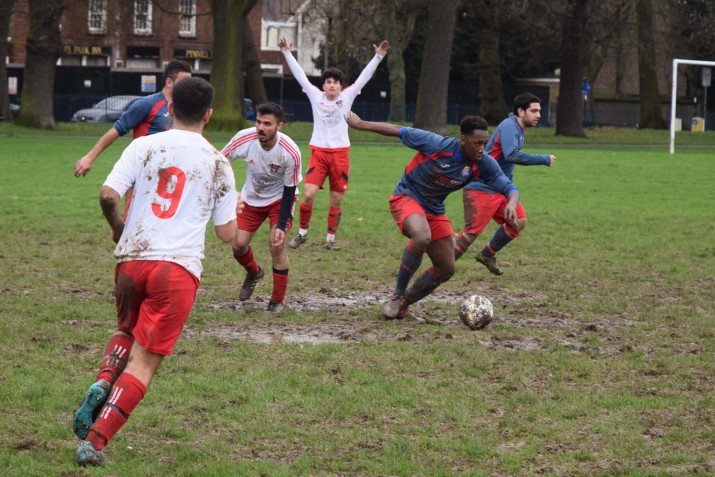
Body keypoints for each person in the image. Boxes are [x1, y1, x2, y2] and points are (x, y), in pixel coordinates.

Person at [72, 77, 242, 466]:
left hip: (131, 260)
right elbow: (227, 235)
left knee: (126, 332)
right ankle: (94, 444)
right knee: (145, 362)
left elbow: (107, 194)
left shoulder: (142, 145)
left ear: (169, 108)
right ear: (209, 115)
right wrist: (238, 200)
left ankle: (103, 381)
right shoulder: (219, 162)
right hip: (176, 269)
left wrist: (117, 226)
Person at [345, 111, 520, 319]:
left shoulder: (484, 162)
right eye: (477, 143)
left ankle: (404, 303)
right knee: (422, 236)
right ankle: (396, 295)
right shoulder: (437, 144)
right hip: (407, 197)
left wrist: (511, 203)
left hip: (434, 209)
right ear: (463, 139)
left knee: (447, 267)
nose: (482, 149)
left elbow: (509, 186)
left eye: (485, 143)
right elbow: (398, 131)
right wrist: (360, 123)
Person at [278, 36, 389, 250]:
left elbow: (363, 78)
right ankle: (302, 233)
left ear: (340, 86)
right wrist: (286, 53)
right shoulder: (315, 96)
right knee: (308, 194)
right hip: (318, 153)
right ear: (324, 85)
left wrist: (378, 56)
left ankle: (330, 239)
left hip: (340, 155)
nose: (332, 85)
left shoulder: (347, 97)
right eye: (328, 82)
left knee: (336, 200)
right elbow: (300, 76)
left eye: (335, 82)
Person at [454, 93, 556, 275]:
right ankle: (441, 264)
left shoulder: (518, 128)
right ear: (520, 111)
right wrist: (543, 158)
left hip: (501, 189)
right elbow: (512, 155)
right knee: (469, 236)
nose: (538, 114)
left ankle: (487, 254)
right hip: (482, 188)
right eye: (534, 110)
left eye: (539, 110)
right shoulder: (510, 127)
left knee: (519, 221)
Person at [221, 103, 302, 313]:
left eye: (267, 124)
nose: (261, 128)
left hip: (279, 200)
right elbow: (220, 160)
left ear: (279, 126)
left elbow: (290, 189)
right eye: (258, 122)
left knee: (277, 244)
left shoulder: (290, 152)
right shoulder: (245, 138)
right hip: (251, 199)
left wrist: (282, 225)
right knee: (238, 245)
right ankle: (255, 272)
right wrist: (231, 190)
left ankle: (277, 300)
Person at [74, 59, 192, 179]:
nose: (189, 86)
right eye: (184, 82)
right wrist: (90, 157)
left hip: (171, 177)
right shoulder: (147, 104)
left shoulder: (185, 109)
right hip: (142, 176)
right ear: (169, 82)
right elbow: (116, 130)